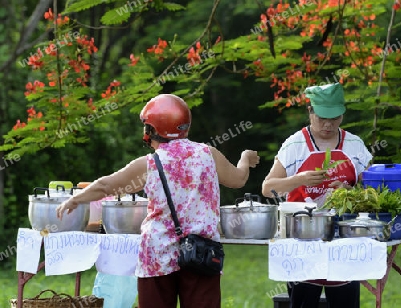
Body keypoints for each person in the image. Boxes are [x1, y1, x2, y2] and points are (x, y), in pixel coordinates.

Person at [56, 93, 260, 308]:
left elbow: (106, 185)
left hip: (157, 255)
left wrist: (76, 199)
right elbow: (239, 179)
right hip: (201, 254)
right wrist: (245, 158)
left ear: (151, 130)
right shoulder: (208, 154)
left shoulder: (149, 163)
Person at [261, 83, 372, 308]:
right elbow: (267, 188)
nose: (328, 124)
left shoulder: (355, 145)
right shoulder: (295, 145)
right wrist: (299, 180)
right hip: (303, 239)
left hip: (344, 240)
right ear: (310, 112)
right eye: (322, 117)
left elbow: (372, 191)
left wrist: (351, 192)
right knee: (303, 301)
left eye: (335, 118)